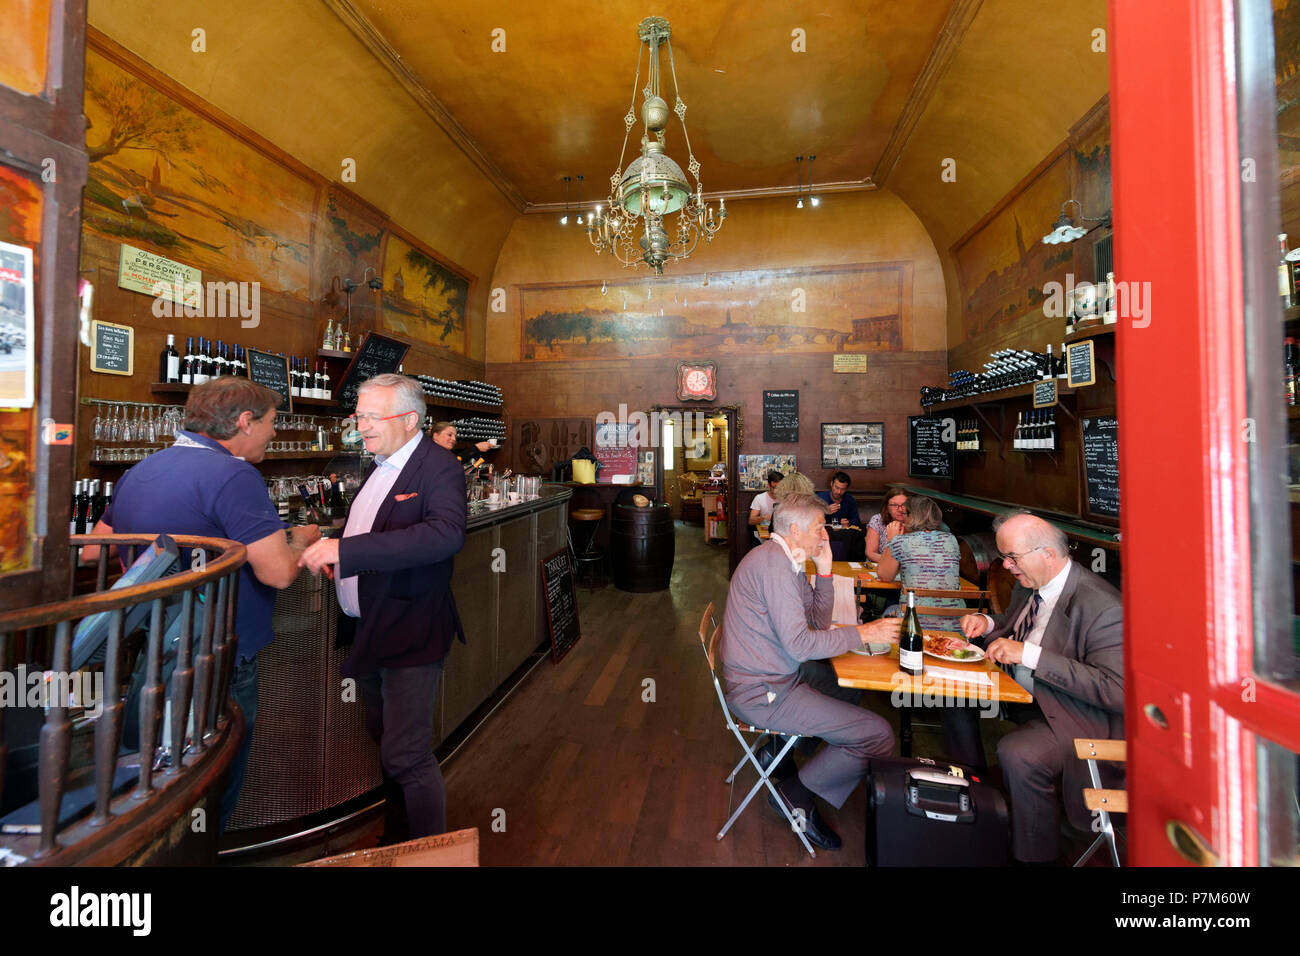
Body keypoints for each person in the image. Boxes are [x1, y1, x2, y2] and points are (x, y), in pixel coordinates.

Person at [81, 378, 320, 831]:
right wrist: (298, 538)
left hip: (154, 644)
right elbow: (279, 572)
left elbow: (94, 550)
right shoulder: (234, 475)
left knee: (156, 777)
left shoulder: (142, 470)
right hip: (218, 648)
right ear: (245, 422)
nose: (272, 434)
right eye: (271, 423)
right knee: (212, 781)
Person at [299, 373, 466, 840]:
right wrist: (338, 547)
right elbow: (375, 528)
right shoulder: (380, 464)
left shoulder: (438, 466)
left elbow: (445, 534)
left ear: (410, 419)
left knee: (406, 754)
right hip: (371, 630)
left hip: (411, 628)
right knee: (386, 745)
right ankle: (399, 840)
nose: (360, 426)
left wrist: (346, 553)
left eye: (371, 417)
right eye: (359, 416)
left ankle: (431, 854)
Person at [721, 492, 900, 851]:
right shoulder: (774, 566)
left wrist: (826, 570)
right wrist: (864, 633)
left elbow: (816, 623)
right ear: (796, 529)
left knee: (846, 688)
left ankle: (783, 749)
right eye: (820, 528)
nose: (825, 534)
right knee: (878, 735)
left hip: (778, 675)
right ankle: (794, 794)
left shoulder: (786, 560)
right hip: (763, 691)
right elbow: (802, 646)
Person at [957, 511, 1124, 864]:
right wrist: (986, 622)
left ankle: (1035, 855)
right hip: (1019, 691)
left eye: (1012, 558)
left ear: (1047, 553)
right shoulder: (1030, 582)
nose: (1005, 566)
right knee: (954, 699)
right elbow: (1013, 624)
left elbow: (1116, 690)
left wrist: (1031, 655)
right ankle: (977, 796)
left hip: (1070, 713)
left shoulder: (1101, 606)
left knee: (1020, 753)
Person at [875, 494, 964, 629]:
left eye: (905, 513)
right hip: (954, 623)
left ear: (911, 516)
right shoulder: (951, 540)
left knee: (888, 611)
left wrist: (892, 540)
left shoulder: (902, 542)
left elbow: (884, 575)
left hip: (914, 623)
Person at [866, 485, 908, 563]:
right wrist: (893, 563)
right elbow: (871, 553)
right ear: (887, 508)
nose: (900, 509)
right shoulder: (878, 520)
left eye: (904, 505)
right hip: (878, 566)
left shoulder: (915, 522)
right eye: (895, 505)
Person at [747, 470, 784, 544]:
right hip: (762, 538)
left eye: (780, 488)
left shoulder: (785, 499)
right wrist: (763, 517)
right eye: (774, 487)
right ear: (769, 485)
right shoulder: (759, 498)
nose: (777, 491)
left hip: (780, 537)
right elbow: (751, 521)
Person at [429, 421, 495, 460]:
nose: (454, 439)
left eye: (455, 436)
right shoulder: (430, 454)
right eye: (449, 435)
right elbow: (452, 463)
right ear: (436, 436)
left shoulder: (446, 453)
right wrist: (476, 448)